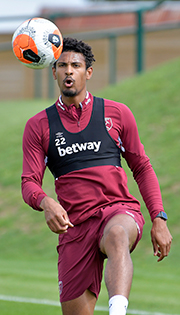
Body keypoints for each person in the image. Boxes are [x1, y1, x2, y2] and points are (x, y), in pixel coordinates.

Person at [21, 37, 172, 315]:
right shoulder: (38, 126)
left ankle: (118, 311)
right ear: (53, 71)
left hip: (118, 211)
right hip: (74, 227)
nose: (69, 71)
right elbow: (29, 182)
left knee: (116, 234)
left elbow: (142, 168)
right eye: (62, 65)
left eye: (76, 65)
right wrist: (46, 202)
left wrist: (159, 219)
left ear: (87, 72)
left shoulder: (117, 113)